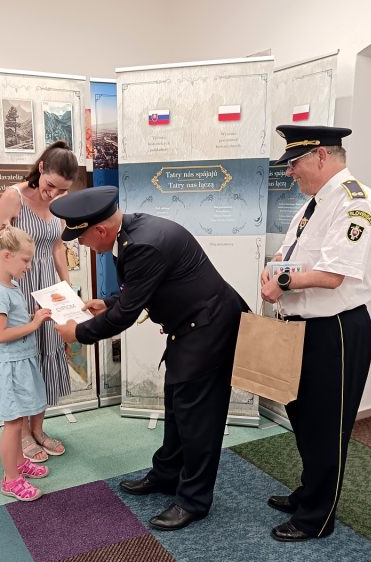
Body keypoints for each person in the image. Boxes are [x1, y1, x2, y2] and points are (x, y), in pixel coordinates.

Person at [50, 185, 248, 531]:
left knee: (199, 418)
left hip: (209, 329)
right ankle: (167, 474)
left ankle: (194, 500)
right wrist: (108, 303)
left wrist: (77, 333)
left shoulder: (142, 244)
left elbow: (126, 316)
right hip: (190, 327)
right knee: (177, 405)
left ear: (100, 231)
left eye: (81, 238)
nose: (81, 245)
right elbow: (139, 291)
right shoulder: (130, 233)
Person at [261, 125, 371, 541]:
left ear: (321, 156)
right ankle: (309, 492)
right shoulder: (314, 204)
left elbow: (332, 276)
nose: (289, 171)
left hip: (335, 330)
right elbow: (288, 255)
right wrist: (273, 272)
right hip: (301, 327)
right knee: (303, 418)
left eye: (294, 163)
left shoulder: (356, 202)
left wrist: (280, 283)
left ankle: (316, 517)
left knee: (327, 425)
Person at [0, 141, 79, 463]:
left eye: (62, 190)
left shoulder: (59, 202)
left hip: (48, 289)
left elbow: (58, 247)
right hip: (18, 287)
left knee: (47, 354)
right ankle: (20, 435)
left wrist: (67, 290)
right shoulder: (12, 197)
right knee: (23, 360)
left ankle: (38, 429)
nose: (53, 194)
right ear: (41, 168)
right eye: (50, 186)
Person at [0, 225, 52, 501]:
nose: (29, 266)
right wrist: (34, 324)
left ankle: (19, 464)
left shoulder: (11, 286)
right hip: (9, 366)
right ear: (6, 256)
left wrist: (32, 319)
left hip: (20, 362)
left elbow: (12, 325)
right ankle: (11, 479)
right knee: (13, 424)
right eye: (25, 260)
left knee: (20, 417)